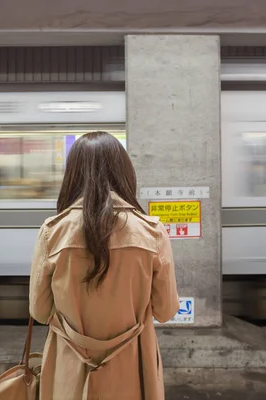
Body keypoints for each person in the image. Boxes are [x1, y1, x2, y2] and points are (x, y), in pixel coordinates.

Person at [29, 131, 179, 400]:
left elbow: (39, 311)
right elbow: (166, 310)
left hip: (69, 370)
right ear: (124, 172)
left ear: (72, 174)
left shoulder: (53, 232)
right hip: (133, 370)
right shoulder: (152, 233)